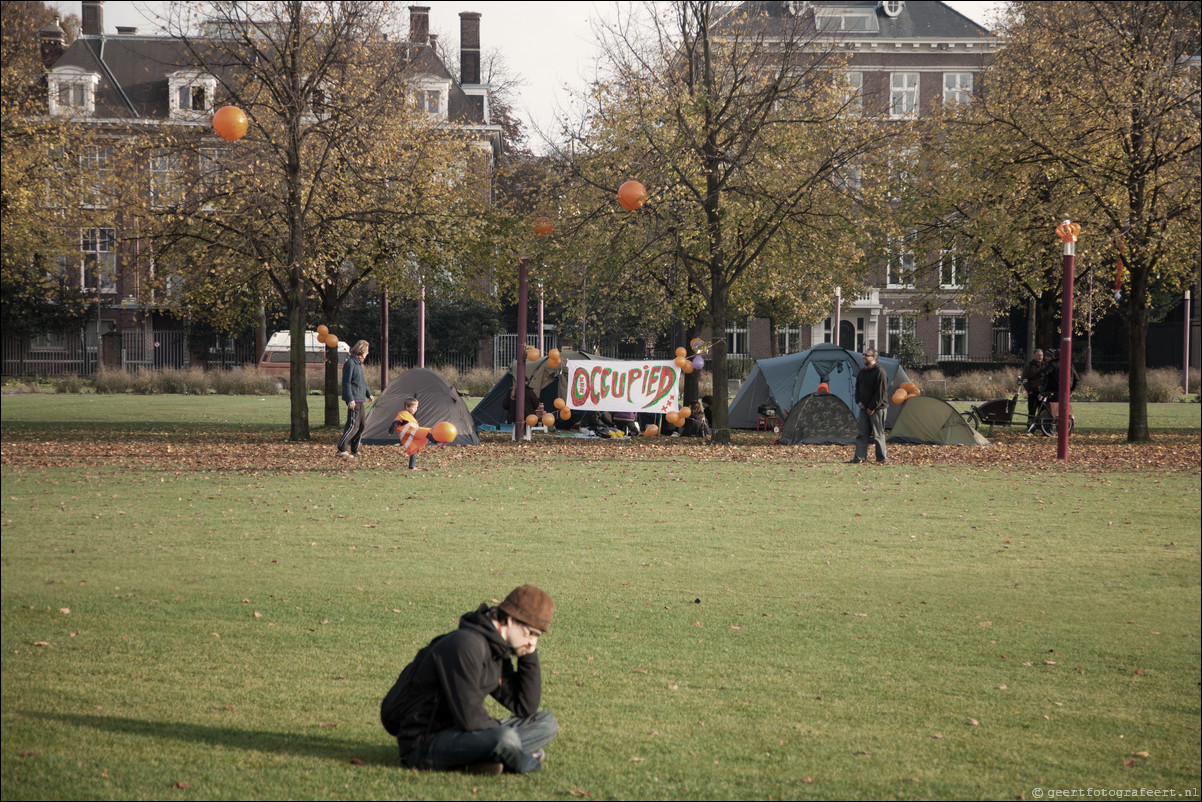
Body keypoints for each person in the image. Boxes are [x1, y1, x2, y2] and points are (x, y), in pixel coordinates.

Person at [380, 585, 558, 776]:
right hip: (426, 744)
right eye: (530, 633)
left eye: (537, 636)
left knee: (546, 723)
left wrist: (527, 654)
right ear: (510, 619)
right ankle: (523, 759)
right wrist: (503, 736)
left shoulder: (497, 648)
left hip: (462, 733)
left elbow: (524, 706)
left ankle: (489, 757)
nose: (533, 642)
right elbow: (470, 719)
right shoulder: (466, 645)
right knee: (505, 738)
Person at [848, 348, 888, 464]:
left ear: (874, 358)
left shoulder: (880, 372)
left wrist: (871, 408)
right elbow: (858, 389)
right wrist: (858, 401)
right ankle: (859, 457)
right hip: (863, 408)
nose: (864, 357)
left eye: (867, 355)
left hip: (877, 409)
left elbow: (880, 394)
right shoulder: (862, 372)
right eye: (863, 354)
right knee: (861, 434)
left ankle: (881, 459)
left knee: (878, 435)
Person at [336, 339, 373, 458]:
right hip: (354, 399)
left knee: (362, 425)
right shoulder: (350, 363)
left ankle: (355, 450)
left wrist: (368, 394)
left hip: (360, 398)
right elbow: (346, 383)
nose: (367, 354)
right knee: (353, 425)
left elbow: (362, 382)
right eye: (366, 351)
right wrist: (350, 399)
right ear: (361, 351)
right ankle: (341, 449)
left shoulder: (358, 364)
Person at [388, 396, 422, 470]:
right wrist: (391, 431)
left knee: (414, 449)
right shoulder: (404, 415)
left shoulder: (408, 416)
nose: (415, 409)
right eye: (414, 407)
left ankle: (411, 466)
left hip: (411, 434)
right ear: (407, 407)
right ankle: (411, 467)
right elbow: (396, 422)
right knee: (414, 449)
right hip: (407, 436)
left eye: (416, 408)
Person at [1020, 349, 1046, 424]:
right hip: (1033, 392)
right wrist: (1029, 390)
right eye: (1038, 355)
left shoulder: (1045, 366)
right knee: (1032, 411)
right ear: (1034, 356)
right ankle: (1030, 428)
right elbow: (1024, 379)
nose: (1040, 357)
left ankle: (1041, 427)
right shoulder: (1029, 366)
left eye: (1041, 355)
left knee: (1043, 412)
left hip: (1043, 392)